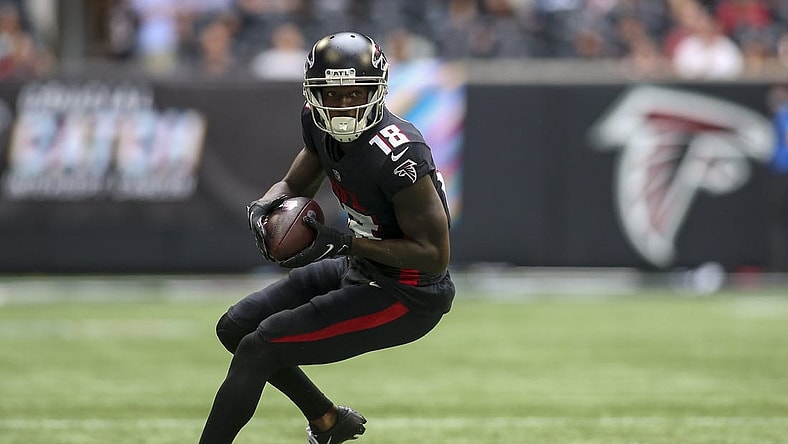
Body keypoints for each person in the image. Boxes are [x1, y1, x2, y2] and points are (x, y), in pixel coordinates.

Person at [198, 31, 455, 444]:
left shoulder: (399, 153)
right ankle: (329, 421)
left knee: (259, 347)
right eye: (331, 94)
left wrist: (344, 243)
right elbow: (295, 182)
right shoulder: (318, 124)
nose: (343, 105)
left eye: (354, 93)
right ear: (314, 93)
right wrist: (266, 205)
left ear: (376, 90)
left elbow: (434, 255)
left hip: (407, 293)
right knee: (234, 328)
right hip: (361, 266)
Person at [766, 84, 788, 272]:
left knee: (779, 224)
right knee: (778, 224)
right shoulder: (778, 116)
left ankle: (778, 268)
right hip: (779, 173)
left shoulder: (781, 116)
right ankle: (778, 267)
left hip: (781, 173)